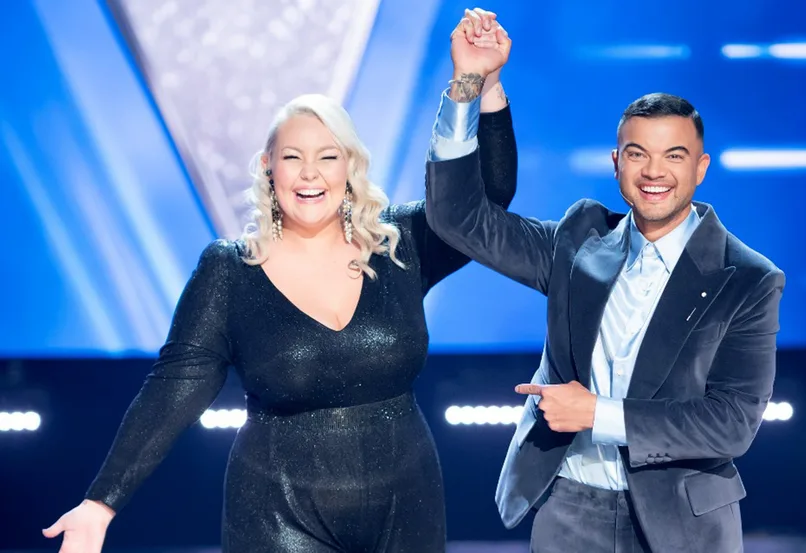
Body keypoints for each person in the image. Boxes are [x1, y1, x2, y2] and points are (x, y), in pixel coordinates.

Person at [41, 17, 514, 553]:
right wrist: (100, 503)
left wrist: (481, 82)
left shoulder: (399, 243)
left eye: (327, 157)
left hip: (407, 508)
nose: (310, 174)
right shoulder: (230, 271)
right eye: (293, 157)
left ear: (349, 166)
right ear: (269, 168)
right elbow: (173, 389)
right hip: (278, 515)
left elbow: (488, 202)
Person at [425, 12, 785, 552]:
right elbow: (460, 220)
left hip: (681, 524)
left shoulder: (748, 279)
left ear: (701, 167)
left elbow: (731, 424)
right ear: (617, 163)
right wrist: (473, 83)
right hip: (570, 508)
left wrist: (597, 414)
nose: (654, 172)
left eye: (674, 156)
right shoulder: (578, 242)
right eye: (638, 154)